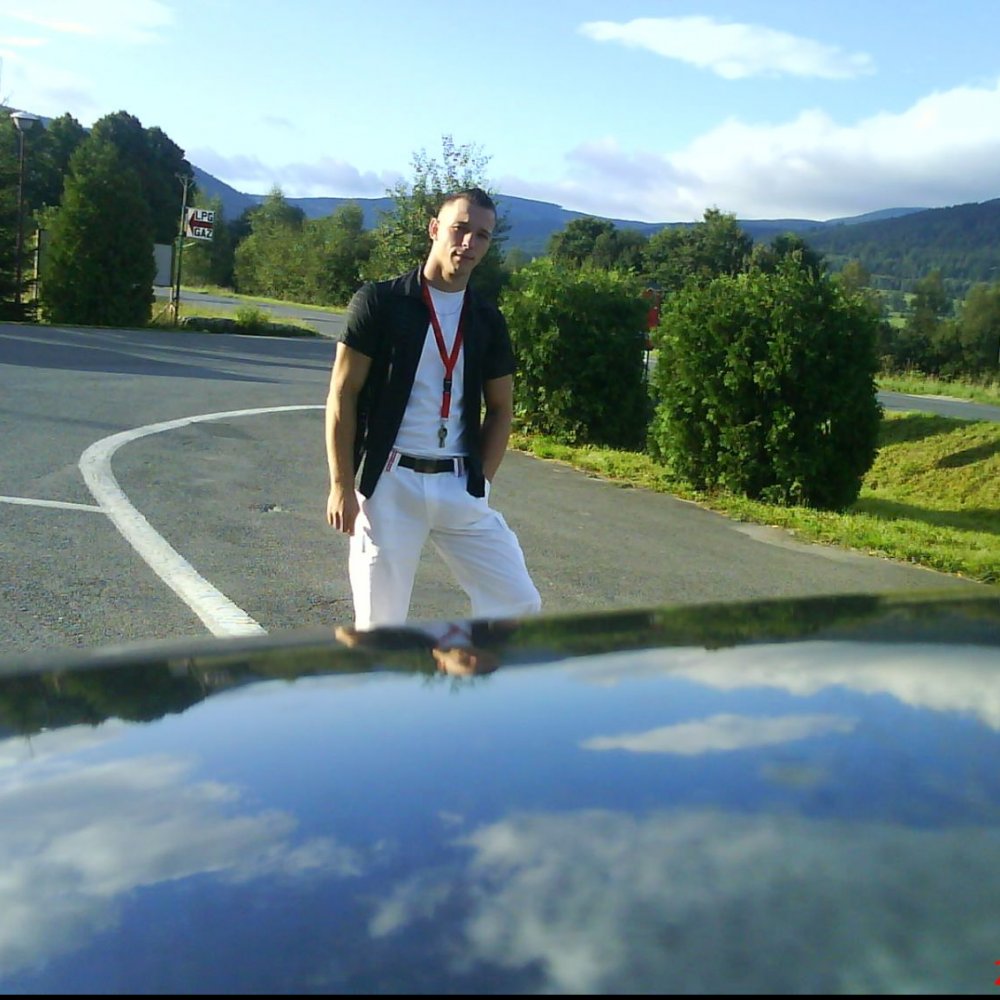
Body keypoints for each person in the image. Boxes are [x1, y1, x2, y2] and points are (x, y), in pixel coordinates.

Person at [325, 187, 541, 630]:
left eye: (482, 235)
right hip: (390, 484)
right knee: (379, 629)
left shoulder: (486, 318)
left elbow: (501, 409)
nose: (469, 242)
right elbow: (343, 392)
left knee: (517, 602)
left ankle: (454, 667)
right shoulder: (381, 302)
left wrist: (482, 483)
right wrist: (341, 485)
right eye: (460, 229)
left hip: (459, 485)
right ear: (434, 228)